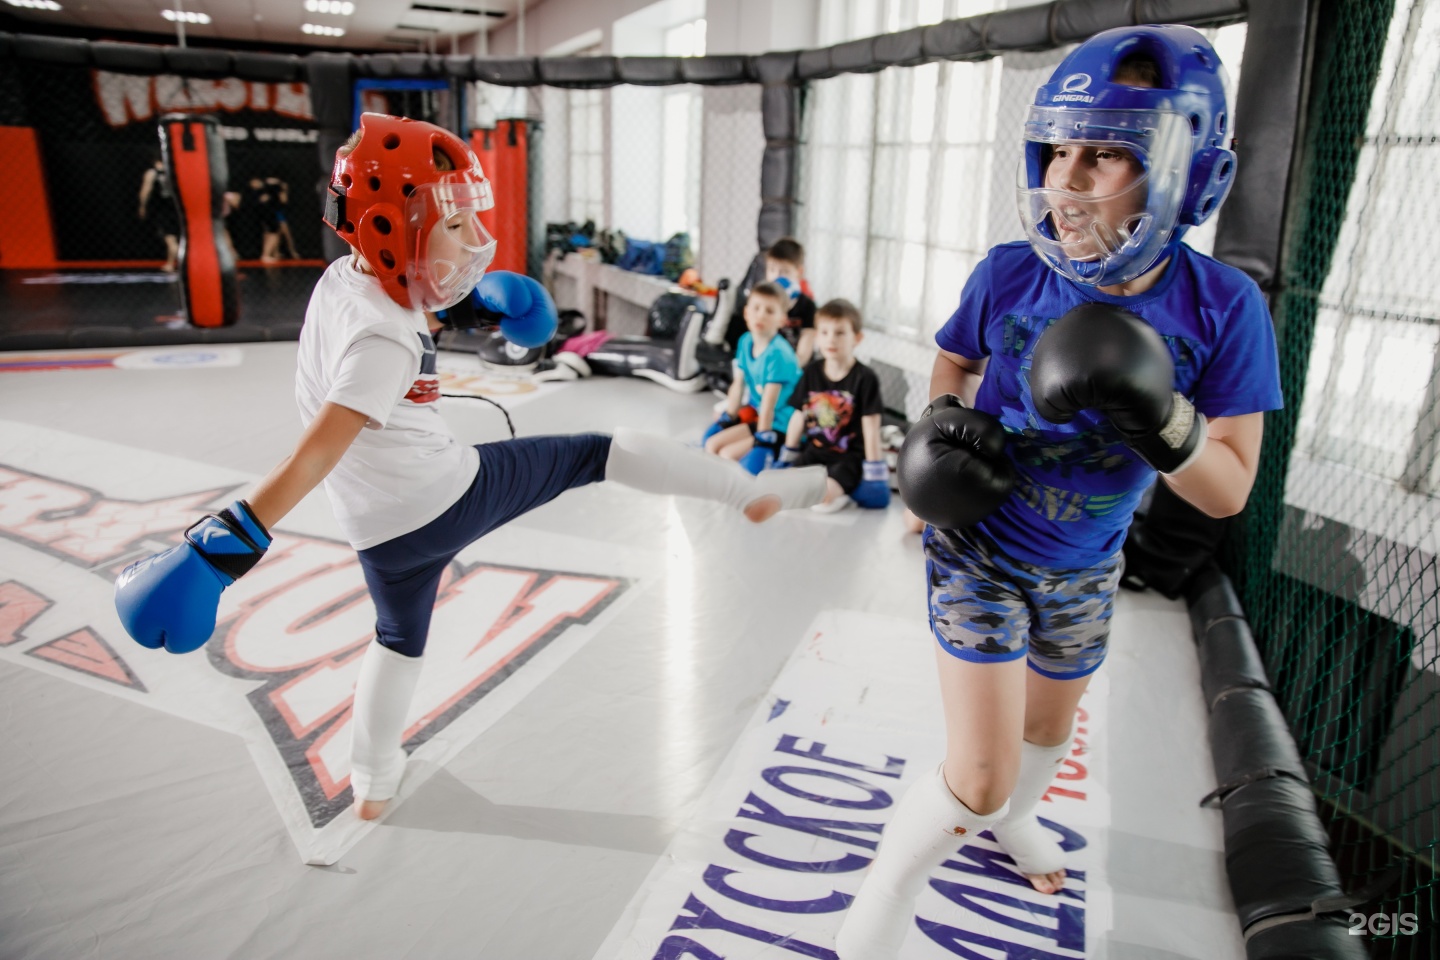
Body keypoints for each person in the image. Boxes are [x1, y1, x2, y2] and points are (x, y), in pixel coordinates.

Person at [112, 113, 827, 822]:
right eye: (454, 227)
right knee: (596, 453)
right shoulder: (385, 341)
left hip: (377, 526)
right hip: (444, 493)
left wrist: (479, 308)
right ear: (389, 228)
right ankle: (744, 491)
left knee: (397, 639)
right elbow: (319, 448)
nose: (477, 241)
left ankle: (373, 782)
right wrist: (216, 553)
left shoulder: (345, 280)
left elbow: (399, 314)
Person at [835, 25, 1283, 957]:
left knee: (1048, 731)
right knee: (984, 769)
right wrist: (944, 431)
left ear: (1188, 174)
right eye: (1060, 150)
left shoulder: (1222, 307)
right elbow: (952, 361)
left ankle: (1011, 821)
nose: (1069, 181)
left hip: (1087, 565)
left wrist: (1153, 412)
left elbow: (1229, 489)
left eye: (1108, 153)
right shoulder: (1008, 271)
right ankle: (880, 903)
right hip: (980, 551)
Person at [772, 299, 889, 513]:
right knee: (778, 488)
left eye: (840, 333)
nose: (831, 340)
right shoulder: (812, 372)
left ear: (857, 338)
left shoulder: (865, 378)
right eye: (824, 332)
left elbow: (871, 426)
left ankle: (842, 491)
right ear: (817, 337)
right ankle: (827, 487)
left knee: (821, 500)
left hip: (848, 457)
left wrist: (875, 472)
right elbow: (799, 416)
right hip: (814, 451)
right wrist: (788, 453)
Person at [702, 281, 803, 473]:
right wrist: (728, 418)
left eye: (770, 311)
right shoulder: (745, 340)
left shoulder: (779, 354)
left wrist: (762, 439)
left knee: (728, 455)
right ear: (746, 312)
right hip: (761, 418)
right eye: (756, 308)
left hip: (782, 425)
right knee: (711, 445)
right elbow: (738, 384)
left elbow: (769, 404)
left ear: (782, 319)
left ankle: (732, 497)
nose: (761, 315)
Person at [763, 237, 818, 365]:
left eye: (784, 271)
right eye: (771, 270)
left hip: (796, 368)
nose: (776, 276)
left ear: (799, 272)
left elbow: (805, 350)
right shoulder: (763, 303)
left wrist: (789, 370)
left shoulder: (807, 306)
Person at [138, 153, 179, 272]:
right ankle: (174, 263)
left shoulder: (153, 173)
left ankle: (171, 264)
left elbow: (145, 191)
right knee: (176, 237)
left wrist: (142, 206)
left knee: (170, 238)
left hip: (163, 209)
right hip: (178, 208)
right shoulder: (175, 172)